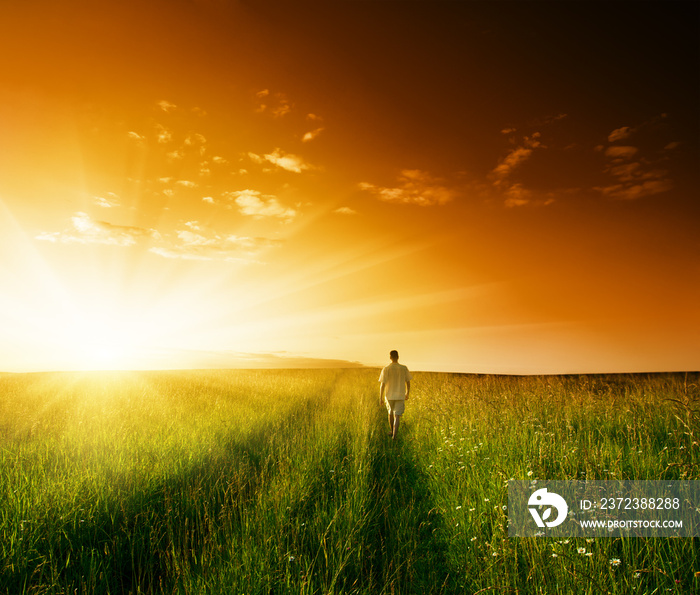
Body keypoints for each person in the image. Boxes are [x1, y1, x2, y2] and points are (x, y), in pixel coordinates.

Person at [379, 350, 412, 440]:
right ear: (398, 357)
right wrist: (407, 393)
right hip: (400, 395)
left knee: (390, 413)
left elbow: (382, 384)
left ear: (390, 357)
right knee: (397, 416)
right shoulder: (404, 368)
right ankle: (394, 436)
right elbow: (408, 382)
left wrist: (380, 397)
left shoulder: (386, 368)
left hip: (389, 395)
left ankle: (392, 431)